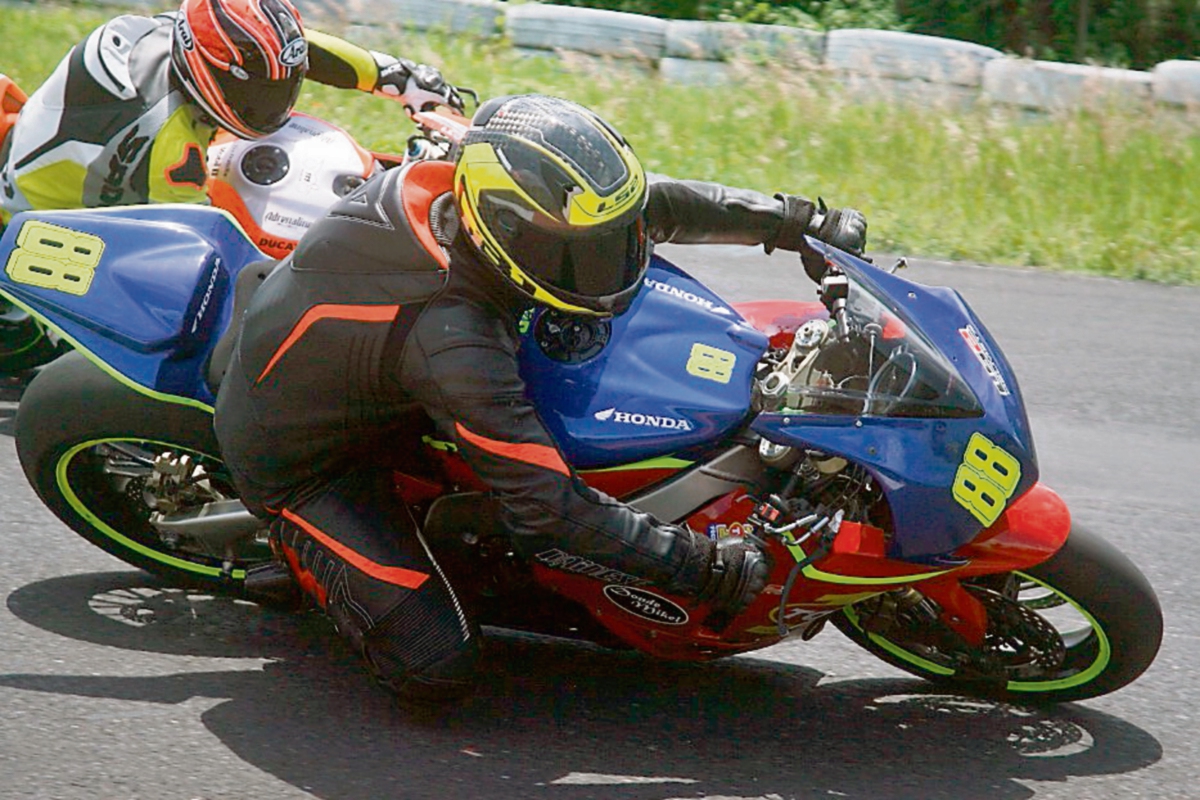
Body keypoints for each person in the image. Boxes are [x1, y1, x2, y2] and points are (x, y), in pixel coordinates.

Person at [213, 93, 867, 701]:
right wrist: (700, 565)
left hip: (357, 364)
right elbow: (547, 511)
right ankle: (296, 554)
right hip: (305, 462)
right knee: (435, 665)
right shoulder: (453, 337)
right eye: (590, 255)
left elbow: (651, 209)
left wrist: (797, 221)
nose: (617, 259)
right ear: (511, 237)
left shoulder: (477, 190)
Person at [0, 0, 459, 223]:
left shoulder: (182, 40)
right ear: (207, 72)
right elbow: (202, 249)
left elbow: (296, 53)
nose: (273, 102)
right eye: (261, 91)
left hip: (82, 162)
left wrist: (396, 76)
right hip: (46, 233)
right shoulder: (169, 144)